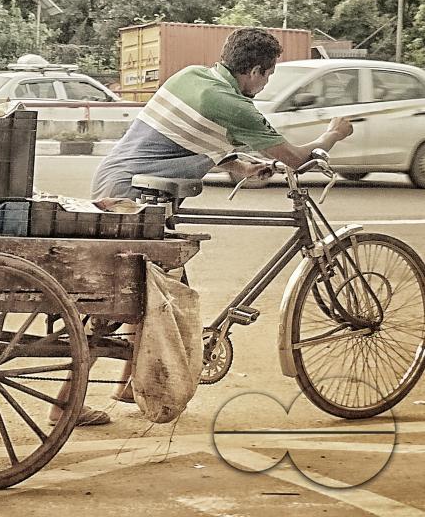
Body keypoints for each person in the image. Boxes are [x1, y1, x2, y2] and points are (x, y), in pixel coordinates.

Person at [49, 27, 353, 424]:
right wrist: (333, 134)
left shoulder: (192, 77)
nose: (265, 84)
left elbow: (183, 134)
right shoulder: (234, 104)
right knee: (119, 302)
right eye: (269, 75)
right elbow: (296, 158)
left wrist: (239, 164)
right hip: (135, 198)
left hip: (122, 182)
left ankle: (129, 384)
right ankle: (64, 404)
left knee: (162, 295)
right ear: (257, 71)